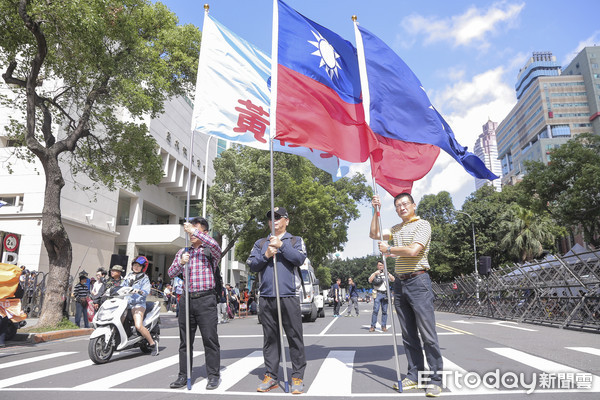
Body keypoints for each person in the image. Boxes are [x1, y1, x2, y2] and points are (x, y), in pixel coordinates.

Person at [370, 193, 443, 397]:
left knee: (427, 334)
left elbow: (413, 251)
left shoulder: (423, 225)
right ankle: (414, 375)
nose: (401, 207)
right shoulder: (395, 229)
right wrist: (376, 211)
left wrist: (390, 248)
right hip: (400, 283)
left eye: (405, 204)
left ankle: (436, 379)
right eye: (398, 205)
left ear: (413, 205)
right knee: (408, 334)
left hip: (418, 280)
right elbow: (374, 234)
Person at [247, 206, 307, 394]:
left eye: (278, 217)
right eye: (271, 218)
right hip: (266, 297)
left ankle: (297, 376)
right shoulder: (260, 242)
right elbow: (252, 265)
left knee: (294, 338)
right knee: (270, 339)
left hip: (289, 296)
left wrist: (282, 246)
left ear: (286, 221)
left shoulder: (295, 240)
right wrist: (266, 255)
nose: (274, 221)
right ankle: (271, 375)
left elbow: (299, 259)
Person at [168, 217, 222, 391]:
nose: (190, 234)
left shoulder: (209, 250)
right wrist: (181, 262)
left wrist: (193, 229)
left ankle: (213, 375)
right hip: (186, 299)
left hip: (206, 299)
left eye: (195, 230)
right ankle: (183, 375)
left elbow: (214, 246)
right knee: (185, 341)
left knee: (210, 339)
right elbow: (171, 273)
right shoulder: (183, 252)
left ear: (204, 232)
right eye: (189, 231)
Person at [123, 256, 159, 357]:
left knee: (138, 326)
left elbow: (146, 290)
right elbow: (121, 287)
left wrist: (140, 291)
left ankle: (152, 344)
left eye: (139, 266)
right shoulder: (128, 276)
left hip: (138, 304)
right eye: (135, 265)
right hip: (126, 303)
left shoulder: (144, 278)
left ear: (142, 267)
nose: (136, 267)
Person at [368, 261, 395, 332]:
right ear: (377, 266)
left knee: (385, 311)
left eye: (382, 265)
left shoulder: (386, 273)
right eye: (379, 265)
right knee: (375, 310)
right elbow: (370, 280)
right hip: (378, 293)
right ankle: (372, 326)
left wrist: (388, 273)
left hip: (385, 294)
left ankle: (384, 326)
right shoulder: (375, 273)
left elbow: (393, 279)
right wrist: (375, 273)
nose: (380, 267)